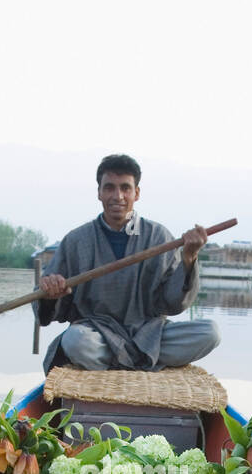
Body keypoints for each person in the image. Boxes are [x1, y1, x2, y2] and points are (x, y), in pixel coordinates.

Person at [35, 153, 220, 374]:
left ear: (137, 193)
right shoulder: (76, 240)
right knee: (75, 340)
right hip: (97, 336)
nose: (118, 196)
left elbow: (173, 304)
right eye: (109, 187)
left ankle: (118, 362)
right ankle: (137, 362)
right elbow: (49, 305)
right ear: (99, 193)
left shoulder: (159, 237)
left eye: (125, 188)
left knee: (210, 333)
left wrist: (189, 258)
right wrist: (50, 293)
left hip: (149, 336)